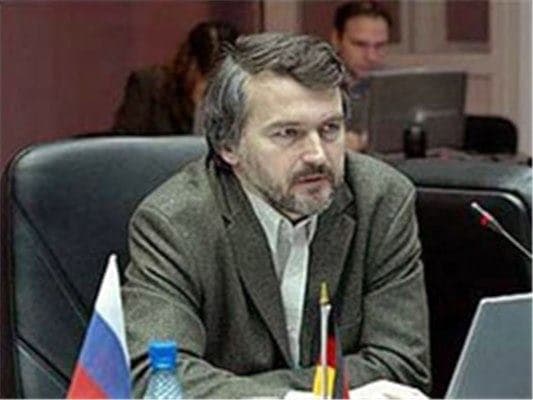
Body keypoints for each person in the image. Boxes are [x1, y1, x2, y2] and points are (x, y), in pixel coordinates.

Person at [122, 32, 431, 399]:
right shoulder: (175, 222)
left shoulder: (380, 199)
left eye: (330, 129)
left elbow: (403, 366)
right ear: (228, 146)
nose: (317, 154)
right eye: (288, 133)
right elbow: (158, 376)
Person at [112, 21, 239, 134]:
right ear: (189, 63)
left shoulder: (241, 97)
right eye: (207, 74)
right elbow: (123, 147)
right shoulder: (149, 87)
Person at [331, 1, 392, 152]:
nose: (371, 57)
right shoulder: (314, 87)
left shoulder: (396, 88)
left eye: (380, 46)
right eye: (360, 44)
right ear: (337, 39)